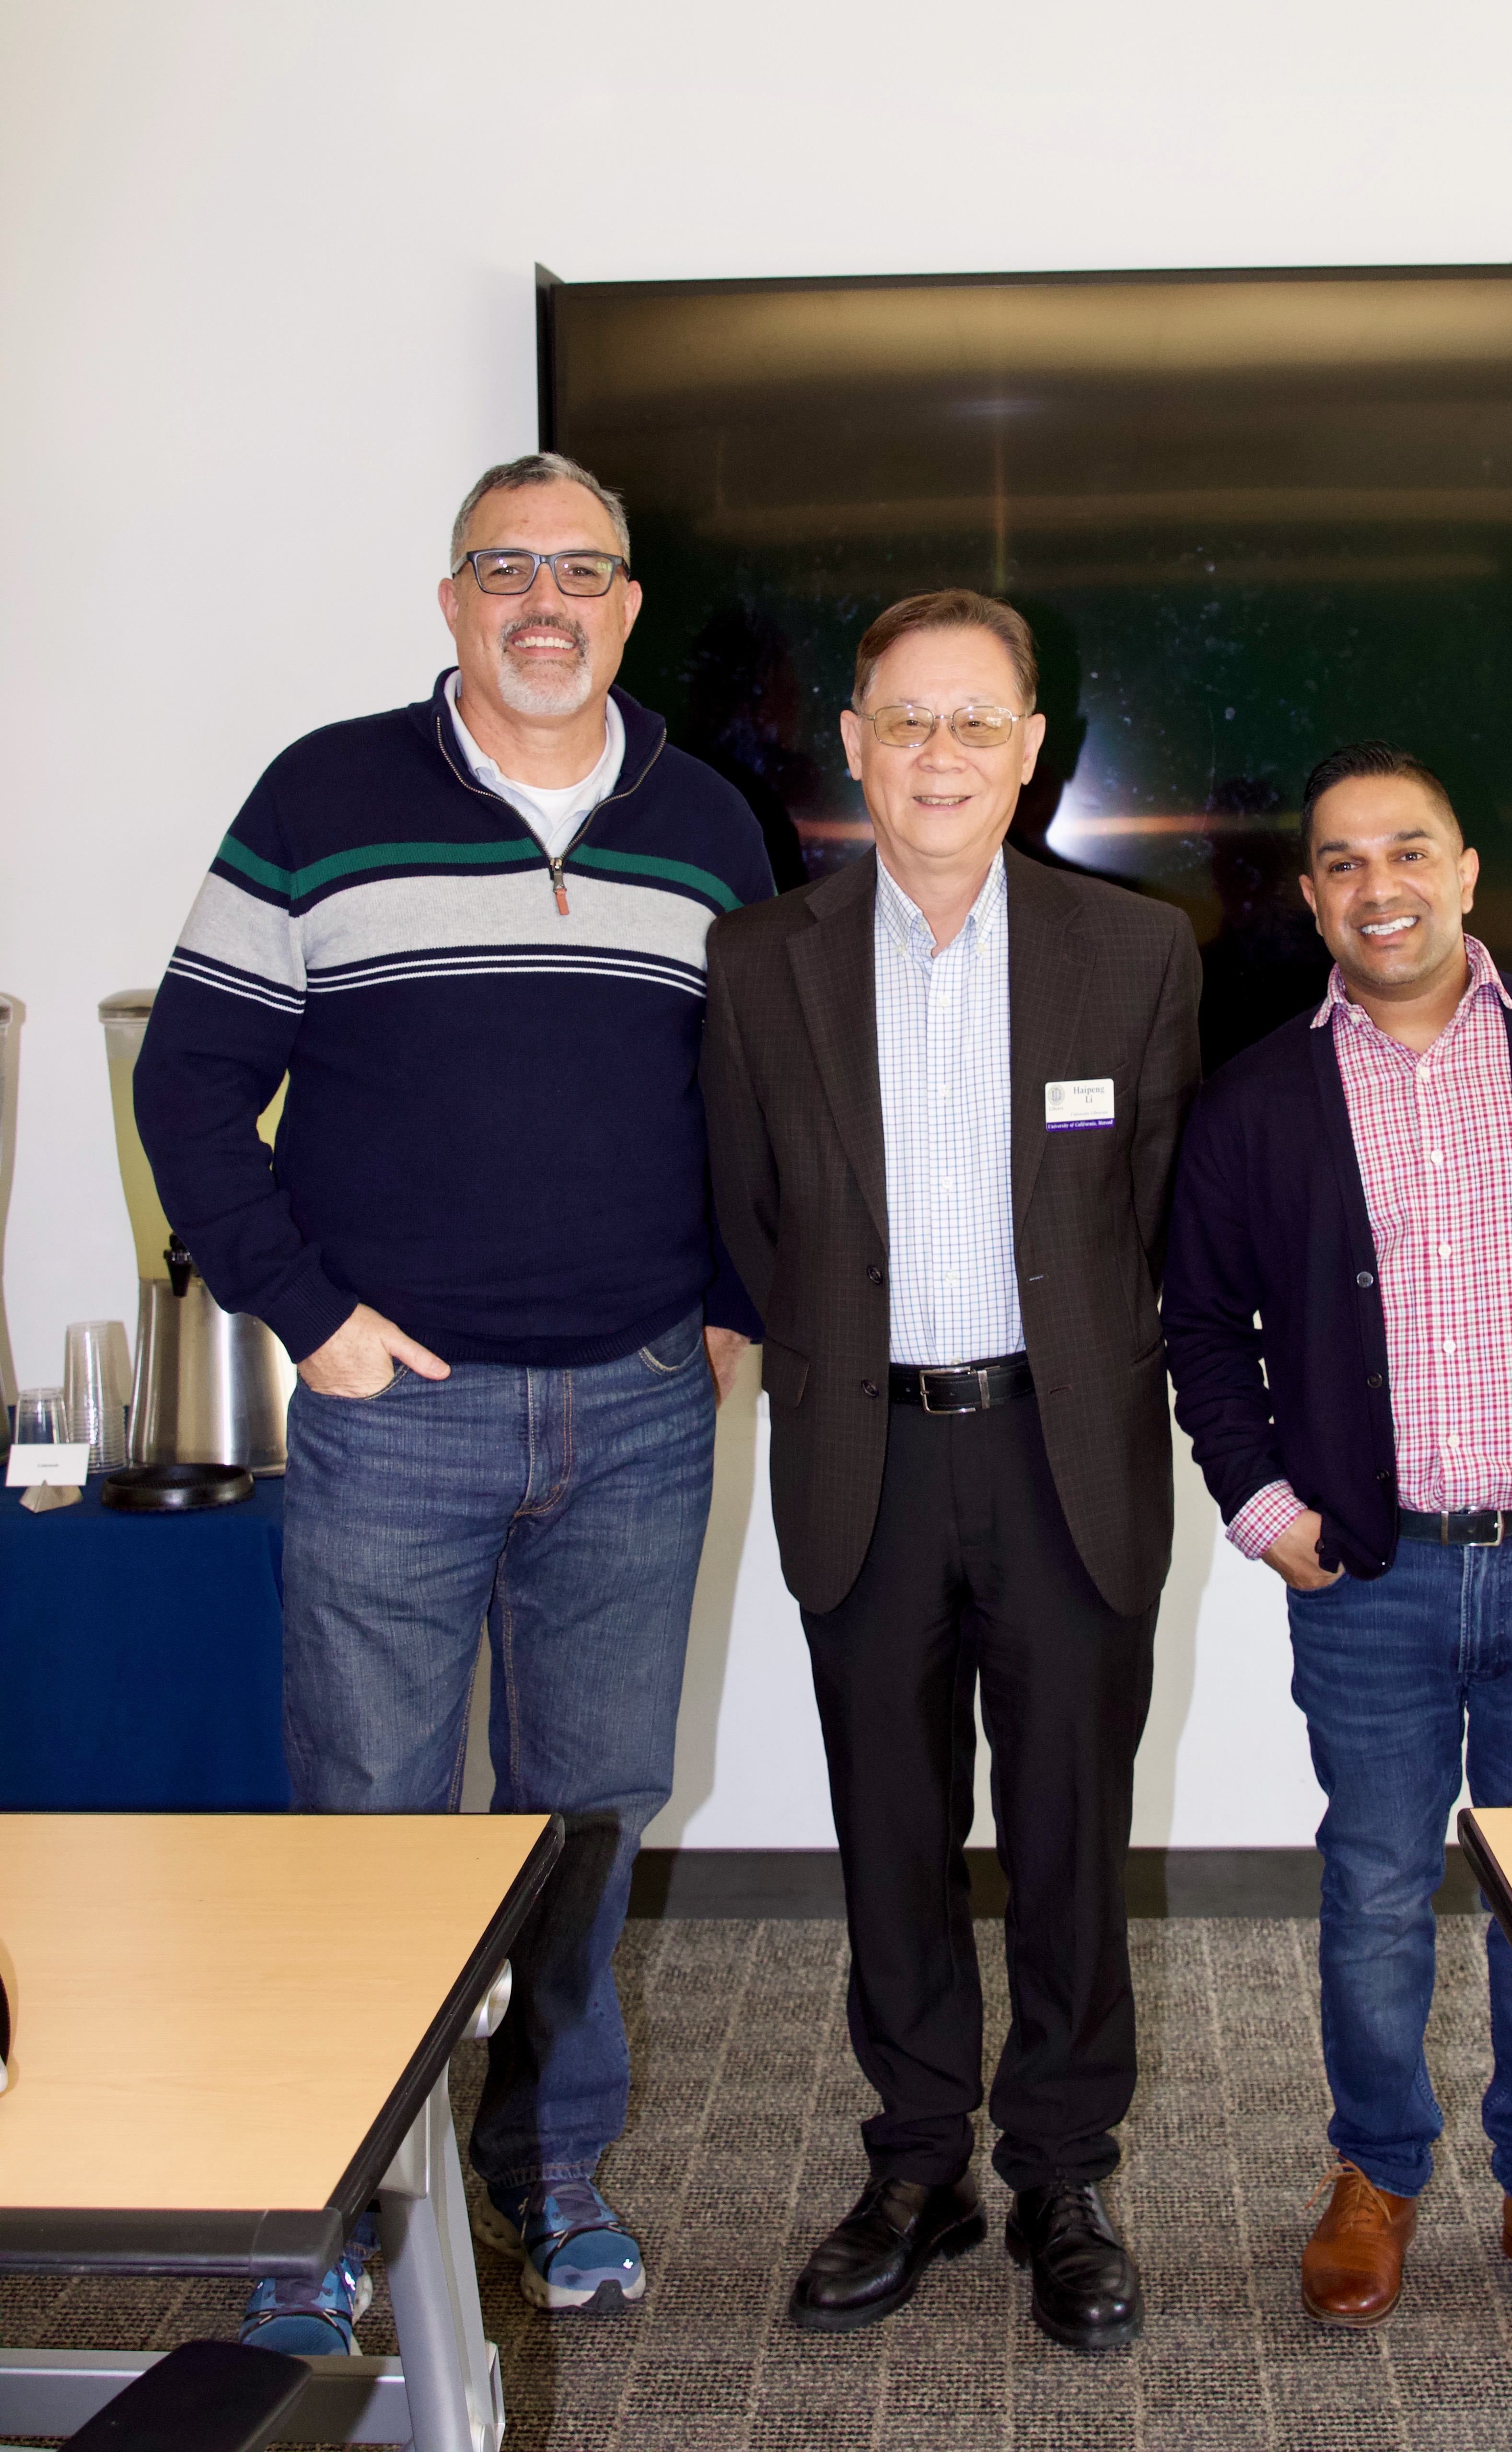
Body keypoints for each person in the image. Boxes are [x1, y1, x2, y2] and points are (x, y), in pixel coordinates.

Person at [134, 452, 774, 2350]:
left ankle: (548, 2170)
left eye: (583, 568)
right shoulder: (322, 799)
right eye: (508, 567)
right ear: (453, 602)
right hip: (392, 1414)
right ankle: (339, 2204)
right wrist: (305, 1313)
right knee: (372, 1821)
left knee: (589, 1810)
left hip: (644, 1412)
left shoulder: (711, 825)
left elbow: (764, 1108)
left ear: (631, 605)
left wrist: (737, 1308)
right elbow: (188, 1085)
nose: (546, 600)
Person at [1161, 741, 1512, 2338]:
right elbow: (1202, 1325)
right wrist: (1268, 1510)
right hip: (1375, 1573)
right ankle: (1378, 2170)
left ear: (1468, 871)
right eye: (1343, 861)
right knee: (1374, 1876)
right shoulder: (1260, 1096)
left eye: (1409, 850)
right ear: (1311, 896)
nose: (1379, 885)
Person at [700, 590, 1200, 2352]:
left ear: (1030, 749)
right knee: (889, 1834)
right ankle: (918, 2164)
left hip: (1066, 1460)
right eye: (906, 719)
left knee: (1069, 1832)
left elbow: (1145, 1222)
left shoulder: (1136, 956)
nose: (939, 754)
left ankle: (1062, 2167)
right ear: (852, 742)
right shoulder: (760, 962)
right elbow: (747, 1217)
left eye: (975, 721)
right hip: (869, 1459)